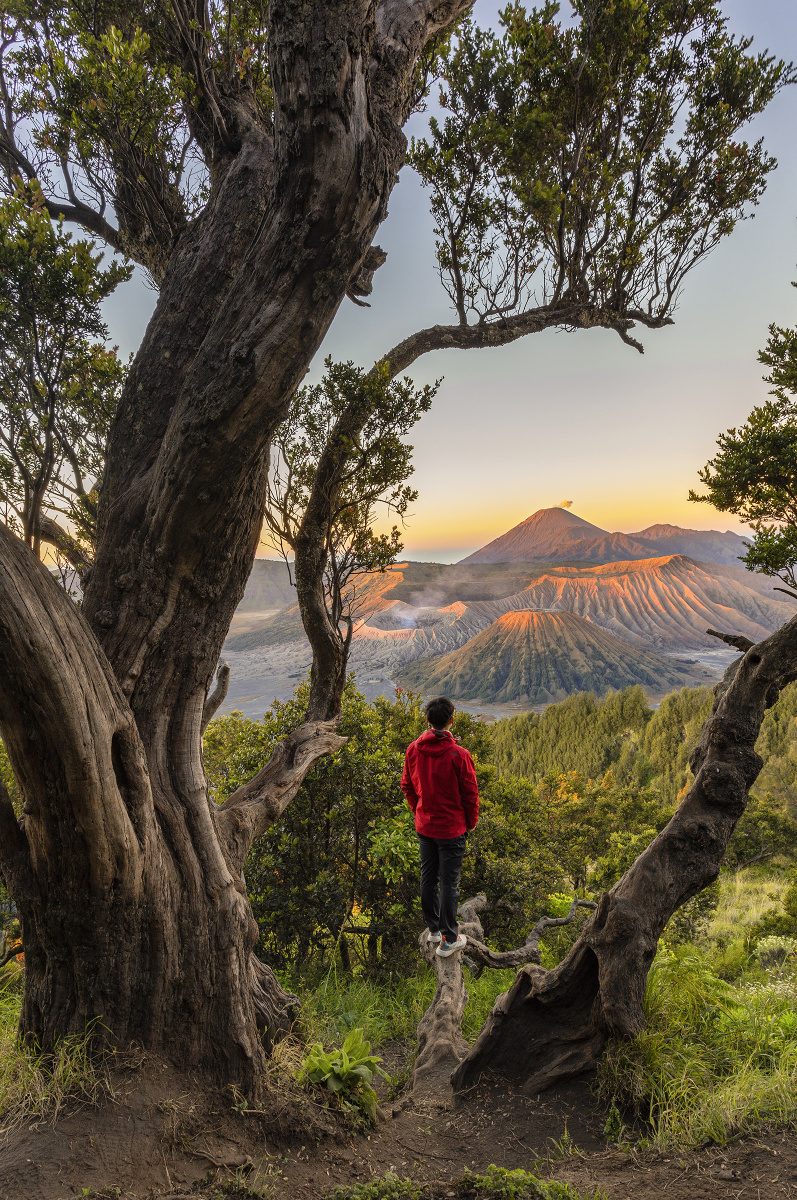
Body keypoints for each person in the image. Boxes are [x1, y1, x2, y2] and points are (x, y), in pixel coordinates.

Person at [401, 696, 479, 958]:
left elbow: (407, 786)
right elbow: (470, 794)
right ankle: (449, 939)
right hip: (452, 830)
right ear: (451, 720)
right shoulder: (459, 755)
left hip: (425, 827)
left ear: (427, 720)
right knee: (449, 883)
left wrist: (419, 811)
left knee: (428, 877)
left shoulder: (414, 749)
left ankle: (434, 929)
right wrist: (471, 822)